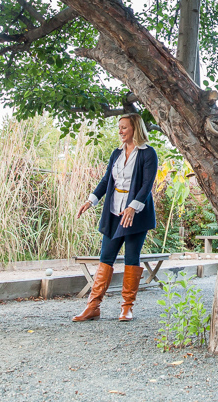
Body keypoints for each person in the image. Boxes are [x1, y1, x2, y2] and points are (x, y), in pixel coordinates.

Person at [73, 113, 158, 322]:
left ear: (135, 129)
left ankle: (127, 308)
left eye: (124, 128)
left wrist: (132, 208)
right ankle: (93, 306)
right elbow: (106, 180)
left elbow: (147, 185)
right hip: (113, 212)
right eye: (119, 128)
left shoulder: (148, 154)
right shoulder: (116, 153)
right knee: (106, 257)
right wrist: (91, 200)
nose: (120, 131)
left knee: (131, 258)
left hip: (135, 215)